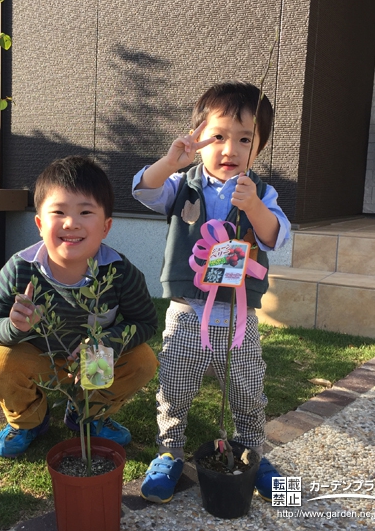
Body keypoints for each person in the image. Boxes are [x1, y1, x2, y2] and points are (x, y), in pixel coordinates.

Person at [132, 81, 291, 503]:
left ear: (258, 148)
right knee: (176, 385)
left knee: (246, 387)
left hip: (239, 316)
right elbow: (144, 190)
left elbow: (276, 236)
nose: (230, 149)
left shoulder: (262, 191)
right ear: (198, 139)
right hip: (187, 311)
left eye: (245, 139)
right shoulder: (182, 184)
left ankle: (254, 453)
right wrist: (169, 161)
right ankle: (169, 451)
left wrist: (254, 206)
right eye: (218, 136)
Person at [0, 155, 159, 458]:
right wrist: (13, 326)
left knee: (143, 360)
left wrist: (107, 341)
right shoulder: (20, 269)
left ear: (106, 226)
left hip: (93, 362)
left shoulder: (120, 272)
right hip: (38, 358)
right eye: (58, 211)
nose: (71, 223)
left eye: (85, 212)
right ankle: (29, 421)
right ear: (39, 223)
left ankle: (88, 415)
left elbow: (146, 323)